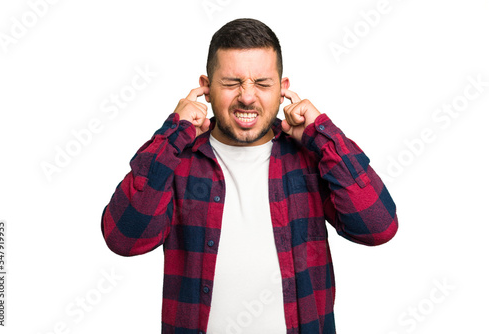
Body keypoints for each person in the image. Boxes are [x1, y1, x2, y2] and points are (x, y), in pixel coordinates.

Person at [101, 18, 398, 334]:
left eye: (262, 83)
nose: (246, 96)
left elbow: (377, 227)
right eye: (231, 82)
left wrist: (323, 133)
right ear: (206, 87)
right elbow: (124, 238)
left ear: (283, 89)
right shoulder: (178, 160)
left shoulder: (312, 156)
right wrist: (172, 133)